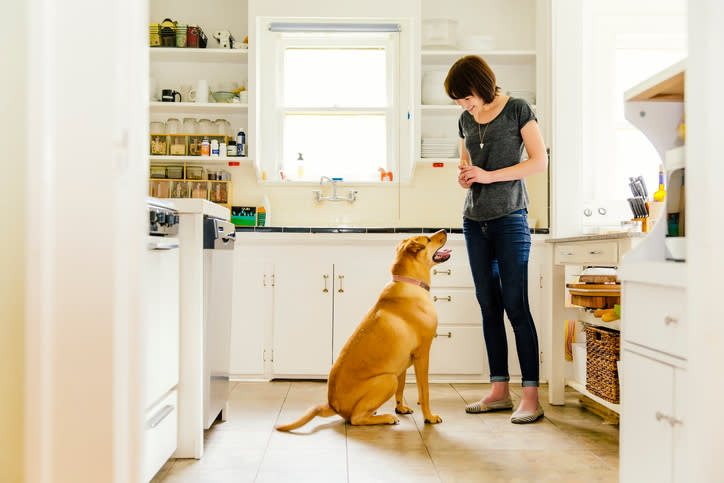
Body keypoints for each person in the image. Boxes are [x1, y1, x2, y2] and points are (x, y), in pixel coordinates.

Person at [444, 55, 548, 424]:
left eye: (465, 96)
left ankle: (531, 396)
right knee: (489, 306)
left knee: (516, 305)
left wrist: (488, 177)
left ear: (481, 85)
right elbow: (467, 162)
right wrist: (467, 177)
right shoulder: (465, 119)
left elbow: (538, 162)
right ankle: (500, 389)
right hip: (475, 220)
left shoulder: (518, 108)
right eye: (457, 100)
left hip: (510, 218)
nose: (462, 105)